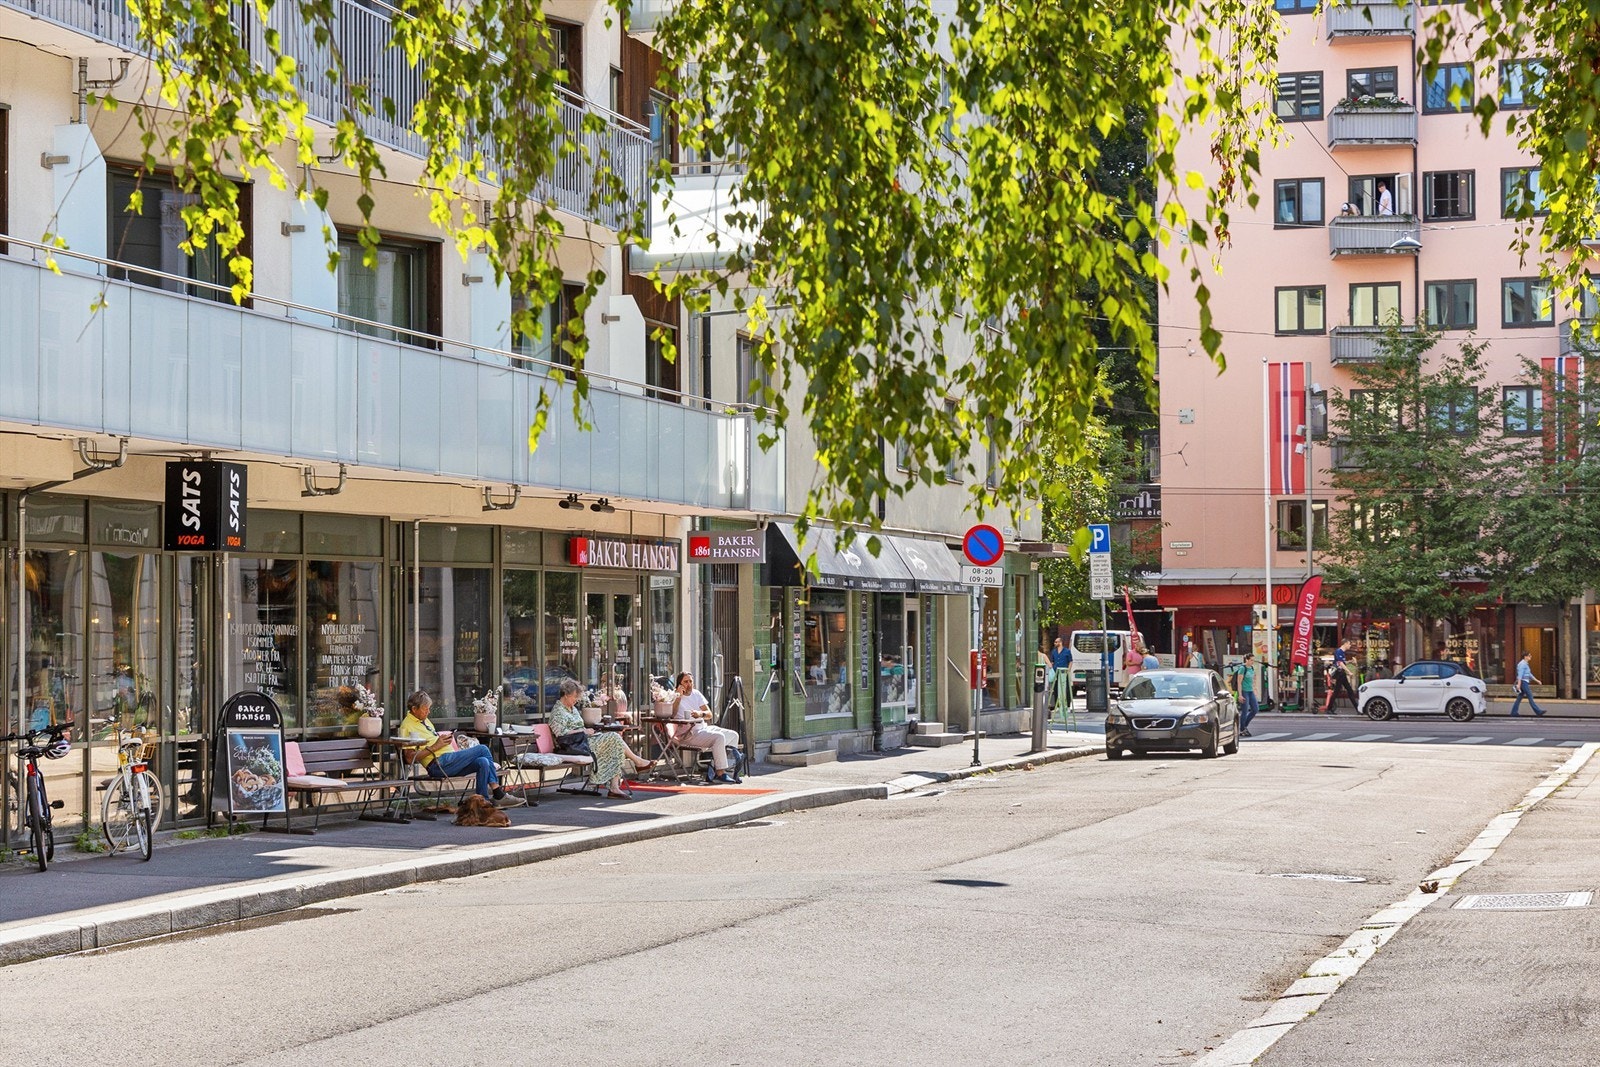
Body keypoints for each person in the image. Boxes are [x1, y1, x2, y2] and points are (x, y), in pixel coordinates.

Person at [397, 690, 525, 808]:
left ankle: (482, 802)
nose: (428, 712)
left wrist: (443, 740)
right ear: (414, 709)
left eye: (429, 709)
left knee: (483, 762)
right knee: (483, 749)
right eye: (425, 709)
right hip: (438, 764)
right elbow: (409, 758)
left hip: (449, 761)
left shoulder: (424, 720)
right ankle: (498, 793)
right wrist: (436, 746)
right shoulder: (407, 726)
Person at [548, 679, 655, 797]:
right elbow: (561, 734)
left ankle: (617, 785)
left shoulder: (571, 709)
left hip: (582, 741)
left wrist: (587, 732)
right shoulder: (558, 711)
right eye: (575, 697)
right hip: (572, 745)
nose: (577, 700)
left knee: (615, 741)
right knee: (614, 738)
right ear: (566, 695)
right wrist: (583, 731)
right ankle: (635, 765)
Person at [669, 671, 742, 784]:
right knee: (719, 737)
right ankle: (720, 773)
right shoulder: (674, 696)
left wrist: (700, 713)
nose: (689, 684)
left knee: (733, 735)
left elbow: (709, 714)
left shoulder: (696, 694)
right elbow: (672, 715)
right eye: (686, 682)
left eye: (691, 681)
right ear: (680, 684)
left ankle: (728, 770)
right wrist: (678, 696)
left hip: (703, 728)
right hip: (689, 733)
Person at [1324, 639, 1358, 714]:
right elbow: (1340, 663)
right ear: (1345, 644)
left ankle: (1329, 708)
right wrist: (1349, 672)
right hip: (1340, 673)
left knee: (1339, 691)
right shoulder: (1339, 651)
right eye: (1349, 644)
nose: (1350, 646)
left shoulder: (1342, 652)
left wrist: (1350, 662)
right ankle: (1357, 709)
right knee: (1348, 690)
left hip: (1341, 673)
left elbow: (1342, 662)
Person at [1509, 651, 1547, 717]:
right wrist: (1519, 684)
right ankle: (1538, 711)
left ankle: (1513, 712)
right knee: (1530, 696)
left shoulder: (1525, 664)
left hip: (1524, 682)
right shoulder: (1522, 664)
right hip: (1524, 682)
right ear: (1525, 656)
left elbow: (1529, 674)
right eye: (1529, 655)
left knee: (1519, 698)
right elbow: (1520, 675)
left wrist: (1537, 681)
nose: (1530, 657)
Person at [1232, 653, 1259, 737]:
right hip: (1244, 691)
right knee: (1245, 710)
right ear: (1246, 660)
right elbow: (1239, 682)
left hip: (1250, 691)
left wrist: (1255, 689)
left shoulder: (1251, 668)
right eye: (1251, 660)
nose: (1252, 662)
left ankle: (1244, 726)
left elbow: (1253, 679)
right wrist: (1240, 695)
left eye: (1253, 660)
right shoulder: (1242, 669)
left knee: (1255, 709)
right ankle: (1242, 729)